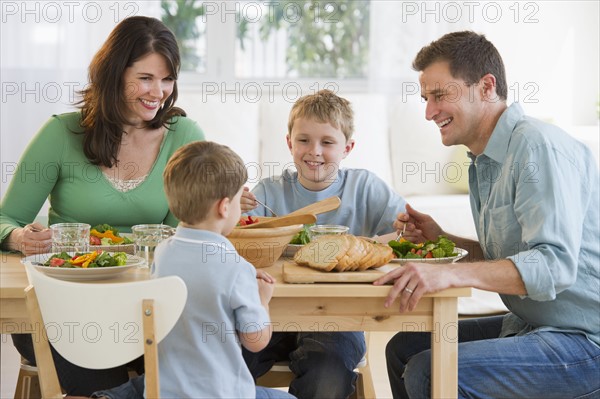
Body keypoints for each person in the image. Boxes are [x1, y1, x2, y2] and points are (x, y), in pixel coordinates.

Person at [375, 31, 600, 398]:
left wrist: (449, 275)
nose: (429, 112)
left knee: (430, 372)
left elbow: (553, 266)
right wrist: (442, 240)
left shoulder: (536, 146)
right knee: (404, 349)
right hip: (532, 324)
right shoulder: (483, 162)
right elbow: (511, 258)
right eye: (426, 99)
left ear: (485, 87)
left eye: (440, 95)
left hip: (585, 341)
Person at [1, 16, 204, 396]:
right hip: (64, 310)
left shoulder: (185, 137)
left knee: (188, 367)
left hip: (147, 309)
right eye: (146, 78)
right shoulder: (62, 132)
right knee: (105, 376)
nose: (158, 92)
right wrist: (18, 238)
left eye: (167, 79)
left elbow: (189, 235)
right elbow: (4, 218)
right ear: (113, 73)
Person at [88, 141, 296, 399]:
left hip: (165, 392)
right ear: (224, 207)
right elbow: (256, 341)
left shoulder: (163, 252)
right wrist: (262, 300)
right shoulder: (237, 267)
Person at [241, 89, 408, 398]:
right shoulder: (267, 193)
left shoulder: (365, 187)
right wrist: (230, 210)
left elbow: (405, 232)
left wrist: (383, 237)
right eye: (303, 140)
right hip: (267, 314)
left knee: (328, 375)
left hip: (336, 318)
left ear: (348, 148)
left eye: (327, 143)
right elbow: (235, 241)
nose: (314, 151)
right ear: (289, 142)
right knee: (221, 357)